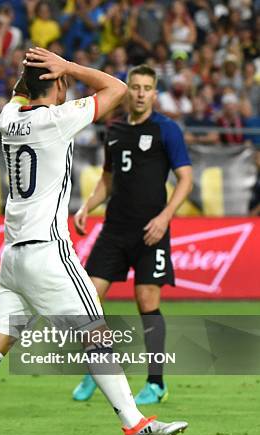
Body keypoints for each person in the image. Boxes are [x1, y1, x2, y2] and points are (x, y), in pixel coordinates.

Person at [0, 48, 187, 435]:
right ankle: (133, 423)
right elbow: (118, 88)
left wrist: (35, 73)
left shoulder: (8, 118)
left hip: (13, 256)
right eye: (60, 78)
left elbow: (22, 93)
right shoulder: (57, 120)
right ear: (56, 81)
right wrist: (67, 65)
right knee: (97, 334)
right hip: (48, 253)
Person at [71, 64, 193, 405]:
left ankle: (156, 383)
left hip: (151, 231)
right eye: (135, 87)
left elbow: (185, 178)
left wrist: (165, 218)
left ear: (154, 92)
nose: (140, 93)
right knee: (89, 300)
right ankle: (99, 369)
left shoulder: (166, 130)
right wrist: (86, 207)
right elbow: (108, 179)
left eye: (146, 88)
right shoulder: (115, 129)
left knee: (147, 302)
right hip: (114, 229)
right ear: (127, 90)